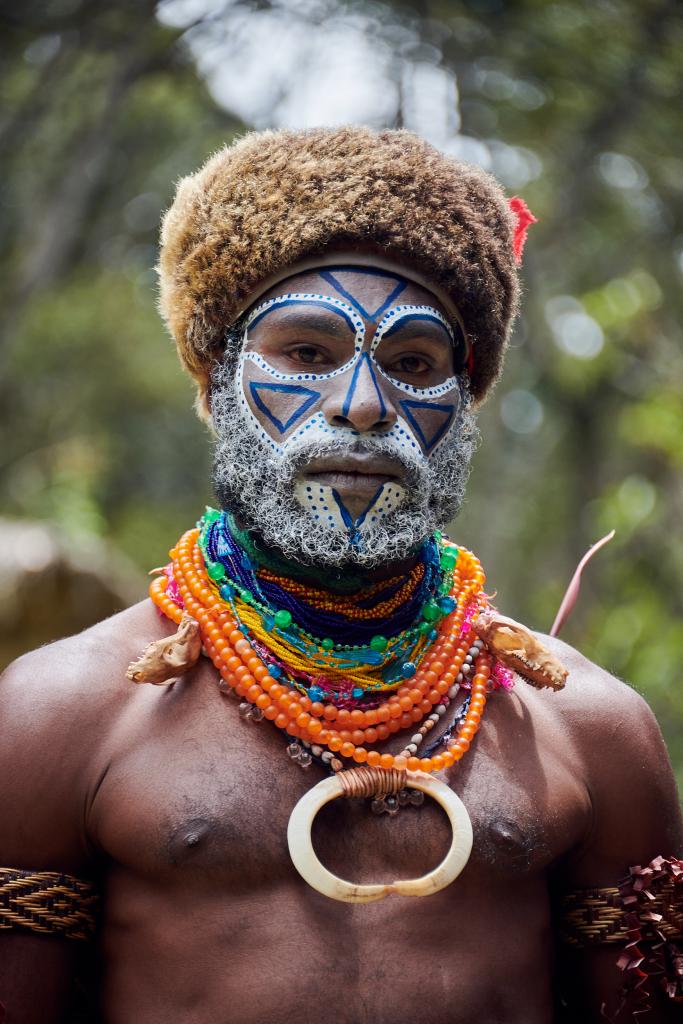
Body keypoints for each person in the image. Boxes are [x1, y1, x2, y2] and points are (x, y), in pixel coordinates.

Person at [0, 127, 681, 1024]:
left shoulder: (590, 733)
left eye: (412, 365)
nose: (362, 404)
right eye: (307, 353)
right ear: (214, 382)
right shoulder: (65, 713)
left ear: (463, 406)